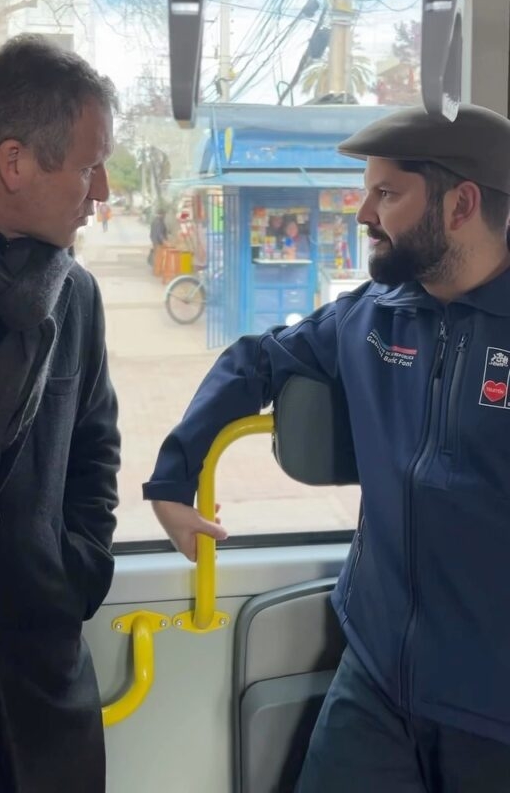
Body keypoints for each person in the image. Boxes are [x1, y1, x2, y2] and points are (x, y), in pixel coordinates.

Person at [143, 103, 510, 791]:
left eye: (387, 193)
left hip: (494, 708)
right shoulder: (373, 315)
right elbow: (256, 360)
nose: (364, 212)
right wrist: (172, 480)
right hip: (375, 677)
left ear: (461, 205)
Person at [0, 34, 121, 793]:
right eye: (87, 166)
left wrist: (75, 568)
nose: (103, 191)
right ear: (14, 162)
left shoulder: (74, 296)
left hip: (36, 693)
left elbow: (95, 450)